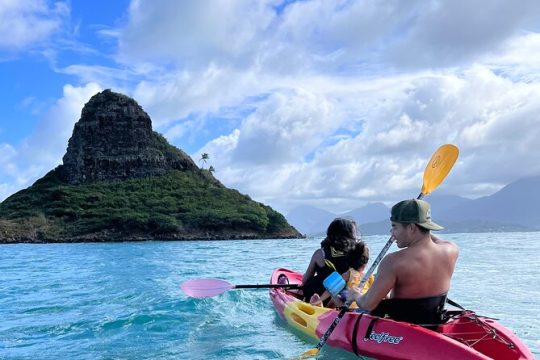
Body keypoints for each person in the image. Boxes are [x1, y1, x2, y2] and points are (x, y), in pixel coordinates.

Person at [348, 199, 459, 327]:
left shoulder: (393, 261)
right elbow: (430, 238)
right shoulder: (451, 250)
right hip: (434, 322)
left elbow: (368, 304)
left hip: (403, 329)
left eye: (394, 227)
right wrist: (422, 227)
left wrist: (356, 295)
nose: (392, 234)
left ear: (411, 227)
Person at [302, 218, 357, 306]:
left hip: (320, 292)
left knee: (310, 285)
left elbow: (305, 280)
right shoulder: (355, 255)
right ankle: (332, 303)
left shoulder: (320, 253)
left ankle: (319, 303)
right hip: (343, 295)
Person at [317, 240, 374, 308]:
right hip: (363, 307)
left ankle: (325, 310)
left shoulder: (348, 274)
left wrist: (319, 300)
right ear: (366, 262)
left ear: (348, 260)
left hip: (349, 309)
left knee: (334, 296)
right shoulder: (369, 276)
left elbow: (330, 289)